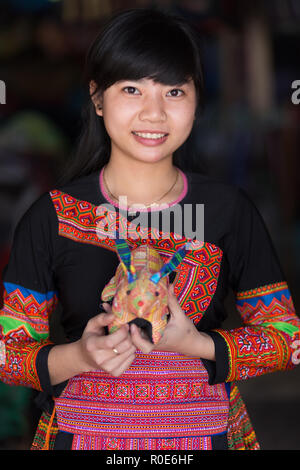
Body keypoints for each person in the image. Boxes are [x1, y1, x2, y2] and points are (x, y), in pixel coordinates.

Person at [0, 8, 299, 451]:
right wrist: (79, 356)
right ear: (98, 99)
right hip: (83, 437)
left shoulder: (227, 211)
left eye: (174, 90)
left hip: (204, 437)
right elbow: (8, 356)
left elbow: (287, 340)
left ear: (197, 101)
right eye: (132, 89)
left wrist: (199, 344)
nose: (154, 113)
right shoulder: (54, 215)